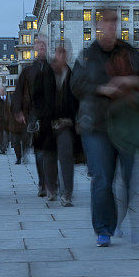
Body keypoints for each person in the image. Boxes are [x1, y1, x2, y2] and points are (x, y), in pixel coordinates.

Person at [71, 8, 139, 247]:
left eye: (113, 23)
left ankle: (116, 219)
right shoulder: (87, 56)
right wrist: (102, 88)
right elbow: (76, 84)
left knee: (129, 179)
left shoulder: (128, 52)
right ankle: (104, 229)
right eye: (105, 23)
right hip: (96, 125)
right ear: (97, 26)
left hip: (126, 125)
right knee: (102, 178)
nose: (110, 27)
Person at [13, 37, 58, 199]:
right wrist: (18, 110)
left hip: (51, 113)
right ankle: (42, 182)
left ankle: (52, 182)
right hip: (34, 113)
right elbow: (18, 91)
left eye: (44, 45)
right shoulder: (28, 70)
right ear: (35, 49)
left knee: (51, 150)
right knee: (39, 151)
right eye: (39, 45)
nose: (41, 48)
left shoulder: (52, 68)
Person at [50, 43, 78, 207]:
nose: (61, 56)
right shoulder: (47, 74)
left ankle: (67, 192)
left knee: (66, 156)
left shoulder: (72, 75)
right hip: (49, 123)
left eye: (64, 53)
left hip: (66, 123)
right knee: (48, 157)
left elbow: (77, 99)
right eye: (59, 53)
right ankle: (50, 186)